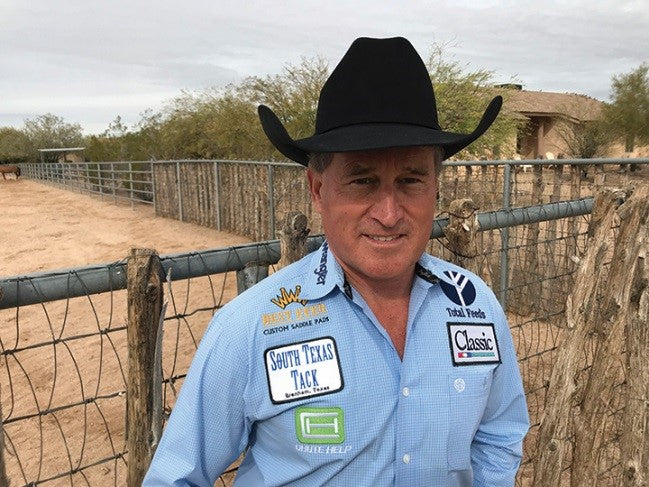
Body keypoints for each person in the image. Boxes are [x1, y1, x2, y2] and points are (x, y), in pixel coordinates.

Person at [143, 36, 529, 486]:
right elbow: (176, 478)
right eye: (362, 181)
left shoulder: (475, 307)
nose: (388, 213)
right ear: (317, 189)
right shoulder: (250, 327)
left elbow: (499, 435)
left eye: (410, 180)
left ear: (436, 188)